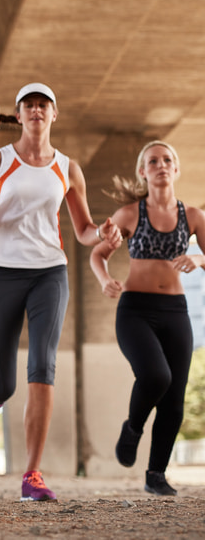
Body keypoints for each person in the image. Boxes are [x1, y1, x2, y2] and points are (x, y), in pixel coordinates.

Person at [0, 83, 121, 501]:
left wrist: (103, 231)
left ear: (53, 114)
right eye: (28, 105)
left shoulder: (68, 167)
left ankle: (32, 474)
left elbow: (83, 231)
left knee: (43, 368)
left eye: (42, 105)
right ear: (19, 114)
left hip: (49, 273)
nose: (35, 111)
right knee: (7, 381)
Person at [90, 141, 204, 496]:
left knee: (174, 397)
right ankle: (133, 427)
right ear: (143, 171)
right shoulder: (129, 214)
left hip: (175, 312)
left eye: (167, 159)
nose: (161, 165)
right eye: (153, 161)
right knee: (156, 376)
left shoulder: (195, 216)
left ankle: (156, 474)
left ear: (176, 168)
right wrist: (105, 279)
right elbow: (98, 254)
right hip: (135, 311)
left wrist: (198, 259)